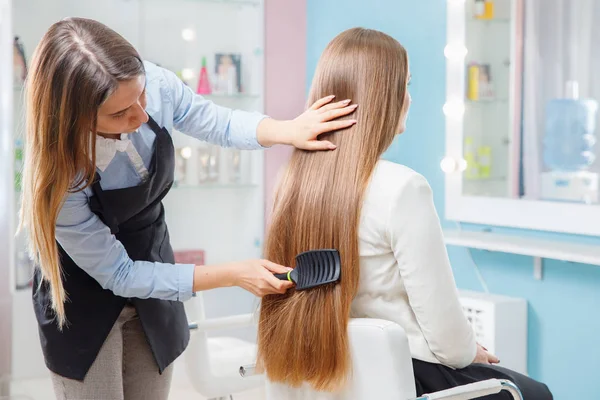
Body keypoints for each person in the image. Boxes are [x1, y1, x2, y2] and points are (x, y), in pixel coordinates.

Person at [18, 17, 358, 400]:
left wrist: (286, 130)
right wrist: (233, 274)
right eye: (120, 114)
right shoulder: (58, 180)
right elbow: (120, 273)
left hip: (155, 268)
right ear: (73, 120)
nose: (143, 116)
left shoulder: (155, 85)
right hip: (81, 295)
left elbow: (219, 123)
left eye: (140, 96)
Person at [257, 27, 553, 399]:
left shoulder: (291, 183)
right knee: (534, 392)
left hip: (328, 372)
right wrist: (470, 352)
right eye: (405, 86)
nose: (409, 99)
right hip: (407, 375)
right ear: (383, 98)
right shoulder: (403, 188)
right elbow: (448, 340)